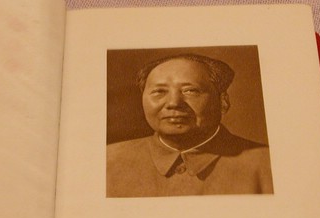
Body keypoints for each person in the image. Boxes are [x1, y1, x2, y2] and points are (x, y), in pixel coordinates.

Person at [106, 53, 274, 197]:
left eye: (190, 91)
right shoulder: (109, 160)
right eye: (159, 91)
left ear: (223, 101)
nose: (174, 103)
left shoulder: (266, 163)